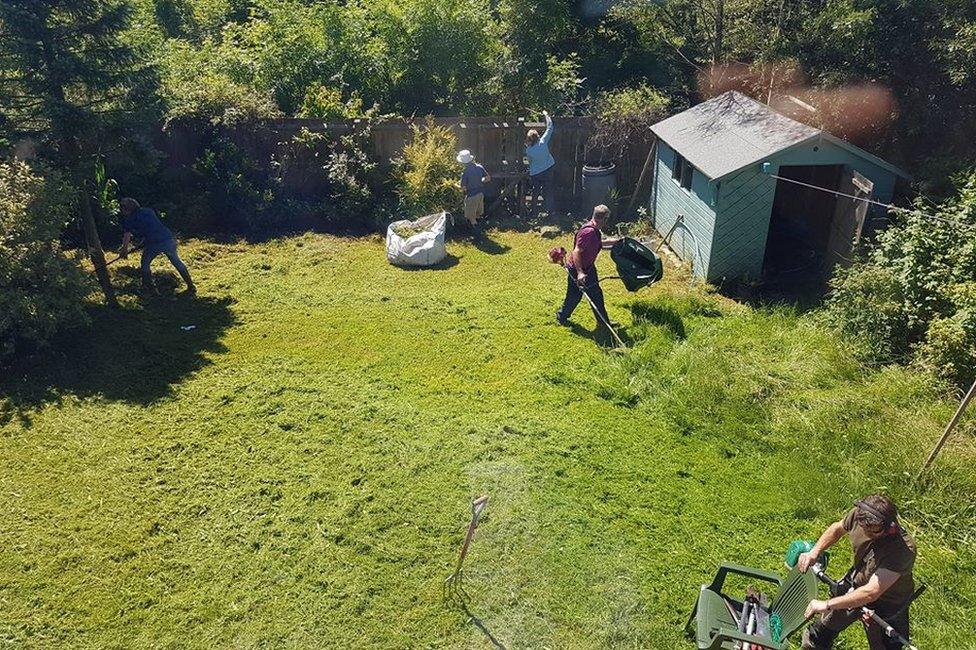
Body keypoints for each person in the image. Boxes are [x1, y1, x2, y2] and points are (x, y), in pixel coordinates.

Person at [797, 495, 917, 650]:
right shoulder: (860, 515)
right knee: (818, 635)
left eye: (874, 531)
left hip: (887, 603)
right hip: (856, 583)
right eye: (864, 528)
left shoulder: (903, 550)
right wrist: (814, 552)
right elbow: (837, 529)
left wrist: (826, 604)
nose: (867, 533)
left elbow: (871, 593)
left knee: (886, 646)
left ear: (890, 527)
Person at [556, 204, 618, 330]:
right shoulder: (588, 232)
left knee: (596, 294)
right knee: (574, 296)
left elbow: (598, 243)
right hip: (578, 269)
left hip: (589, 268)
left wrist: (617, 241)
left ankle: (603, 321)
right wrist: (579, 273)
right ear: (603, 219)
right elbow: (577, 251)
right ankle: (561, 316)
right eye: (607, 219)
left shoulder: (595, 230)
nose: (608, 222)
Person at [119, 197, 196, 295]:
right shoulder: (148, 211)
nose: (121, 211)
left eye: (122, 208)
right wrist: (143, 242)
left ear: (128, 209)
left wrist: (124, 250)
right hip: (168, 238)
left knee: (145, 262)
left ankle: (149, 288)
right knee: (176, 261)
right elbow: (152, 227)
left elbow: (127, 235)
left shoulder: (129, 220)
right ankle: (191, 285)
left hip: (155, 243)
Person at [525, 110, 556, 217]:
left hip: (536, 173)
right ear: (537, 136)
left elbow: (530, 162)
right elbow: (550, 127)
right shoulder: (543, 142)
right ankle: (550, 212)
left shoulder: (528, 150)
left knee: (535, 193)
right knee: (548, 192)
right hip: (548, 169)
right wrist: (546, 115)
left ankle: (534, 213)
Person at [458, 149, 491, 228]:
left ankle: (478, 235)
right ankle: (482, 230)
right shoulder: (479, 167)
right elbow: (488, 178)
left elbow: (463, 188)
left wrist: (454, 185)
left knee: (471, 218)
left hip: (471, 196)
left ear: (462, 162)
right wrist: (480, 181)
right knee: (477, 215)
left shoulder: (465, 172)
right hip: (480, 194)